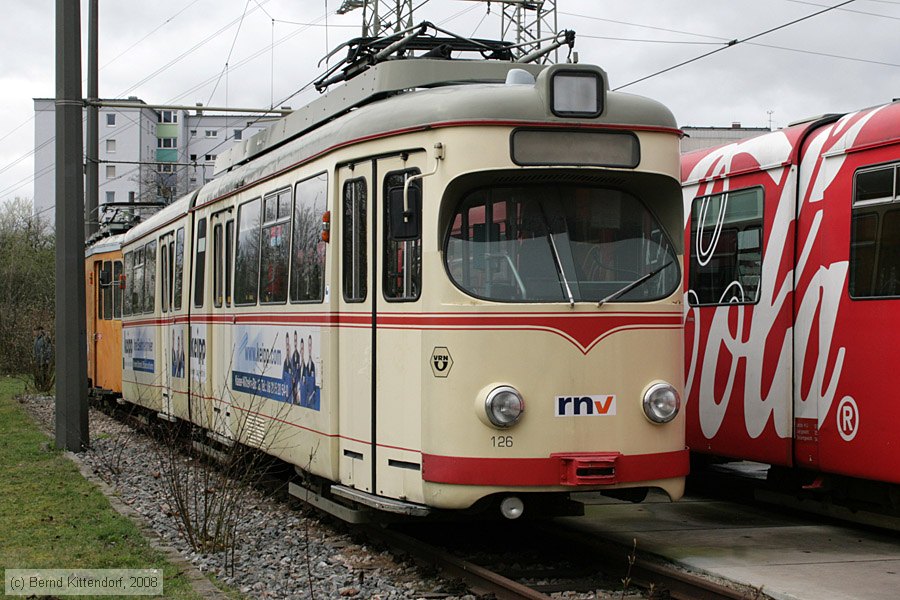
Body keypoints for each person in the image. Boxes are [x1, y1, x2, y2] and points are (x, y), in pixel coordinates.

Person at [305, 334, 319, 410]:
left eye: (310, 345)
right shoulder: (305, 367)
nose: (309, 348)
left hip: (313, 402)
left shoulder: (315, 366)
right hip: (306, 402)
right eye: (308, 345)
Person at [282, 333, 293, 404]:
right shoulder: (285, 363)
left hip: (291, 393)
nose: (287, 349)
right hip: (285, 392)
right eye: (286, 348)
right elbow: (283, 378)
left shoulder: (292, 363)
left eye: (288, 348)